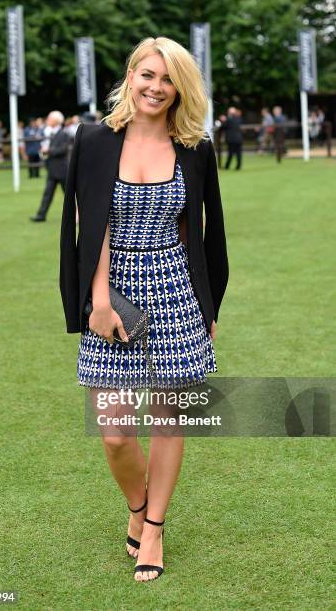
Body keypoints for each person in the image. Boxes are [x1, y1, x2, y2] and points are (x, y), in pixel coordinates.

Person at [59, 37, 229, 582]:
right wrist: (100, 300)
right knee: (114, 429)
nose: (156, 87)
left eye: (168, 78)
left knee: (168, 419)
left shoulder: (195, 147)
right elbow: (90, 224)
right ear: (130, 76)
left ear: (181, 87)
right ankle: (139, 505)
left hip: (175, 286)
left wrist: (208, 307)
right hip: (115, 289)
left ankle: (153, 527)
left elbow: (206, 232)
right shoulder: (93, 140)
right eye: (148, 75)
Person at [30, 111, 70, 222]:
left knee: (68, 196)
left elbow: (63, 150)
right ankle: (41, 215)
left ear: (56, 121)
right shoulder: (48, 133)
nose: (47, 120)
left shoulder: (64, 134)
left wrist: (49, 151)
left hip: (62, 170)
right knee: (47, 194)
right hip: (52, 169)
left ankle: (76, 216)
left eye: (49, 118)